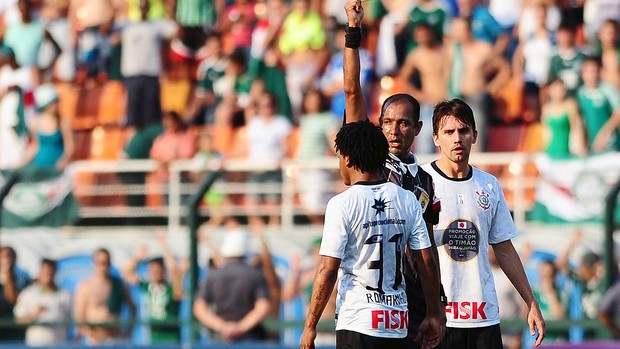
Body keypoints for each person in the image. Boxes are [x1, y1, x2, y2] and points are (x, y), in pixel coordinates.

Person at [341, 1, 445, 347]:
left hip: (412, 298)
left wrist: (436, 305)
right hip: (368, 297)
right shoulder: (368, 160)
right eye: (386, 122)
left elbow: (426, 249)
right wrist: (353, 33)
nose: (393, 130)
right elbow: (353, 90)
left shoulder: (426, 179)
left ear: (417, 128)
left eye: (402, 123)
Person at [299, 120, 441, 349]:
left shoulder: (341, 204)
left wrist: (310, 325)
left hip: (358, 323)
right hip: (397, 323)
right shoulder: (407, 199)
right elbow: (426, 261)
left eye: (339, 159)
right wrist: (433, 313)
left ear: (347, 159)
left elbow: (328, 268)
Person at [421, 98, 546, 348]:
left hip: (483, 317)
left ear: (474, 135)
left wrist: (531, 301)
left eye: (463, 130)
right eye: (449, 132)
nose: (457, 138)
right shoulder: (421, 182)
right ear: (435, 138)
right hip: (439, 319)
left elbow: (504, 248)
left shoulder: (489, 185)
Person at [193, 230, 271, 342]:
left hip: (220, 338)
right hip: (250, 337)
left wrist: (223, 327)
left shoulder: (213, 274)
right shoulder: (255, 274)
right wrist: (240, 327)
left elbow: (199, 308)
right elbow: (263, 307)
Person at [122, 236, 184, 344]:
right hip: (154, 339)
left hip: (172, 339)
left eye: (157, 269)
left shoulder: (171, 288)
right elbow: (126, 272)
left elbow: (175, 273)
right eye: (151, 270)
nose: (154, 273)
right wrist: (138, 258)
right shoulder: (147, 286)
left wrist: (165, 247)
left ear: (163, 271)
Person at [398, 22, 447, 154]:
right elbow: (404, 77)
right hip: (429, 104)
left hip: (449, 101)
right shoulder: (416, 55)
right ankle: (424, 173)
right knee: (425, 142)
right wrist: (418, 94)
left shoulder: (445, 51)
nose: (423, 37)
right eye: (420, 34)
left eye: (425, 33)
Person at [73, 248, 136, 345]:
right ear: (94, 263)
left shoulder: (118, 284)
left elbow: (133, 308)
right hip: (95, 339)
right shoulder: (86, 286)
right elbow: (79, 315)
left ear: (110, 263)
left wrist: (128, 332)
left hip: (115, 338)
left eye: (105, 262)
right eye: (99, 262)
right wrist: (87, 332)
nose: (103, 266)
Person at [14, 258, 71, 346]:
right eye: (45, 271)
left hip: (59, 344)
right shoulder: (27, 294)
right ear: (40, 272)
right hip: (35, 344)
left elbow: (73, 320)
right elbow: (18, 320)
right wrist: (34, 314)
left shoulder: (65, 295)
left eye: (50, 272)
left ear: (55, 272)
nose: (47, 275)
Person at [576, 56, 620, 153]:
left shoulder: (608, 90)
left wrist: (604, 134)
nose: (594, 75)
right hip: (592, 144)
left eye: (596, 71)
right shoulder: (581, 93)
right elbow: (580, 120)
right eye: (590, 72)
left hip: (611, 144)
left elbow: (618, 114)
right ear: (583, 74)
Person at [26, 83, 75, 170]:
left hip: (57, 171)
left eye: (57, 102)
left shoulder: (63, 122)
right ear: (45, 105)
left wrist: (63, 161)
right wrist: (21, 163)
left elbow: (70, 148)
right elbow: (35, 147)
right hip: (40, 170)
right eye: (53, 103)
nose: (56, 106)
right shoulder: (34, 123)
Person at [540, 79, 587, 159]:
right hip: (551, 150)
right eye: (556, 89)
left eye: (561, 89)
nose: (559, 92)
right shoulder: (546, 108)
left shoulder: (570, 105)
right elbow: (546, 132)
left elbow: (577, 127)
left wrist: (580, 146)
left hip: (567, 150)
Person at [0, 246, 31, 342]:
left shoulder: (22, 278)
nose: (7, 260)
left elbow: (13, 299)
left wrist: (8, 274)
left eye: (10, 256)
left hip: (15, 330)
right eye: (3, 257)